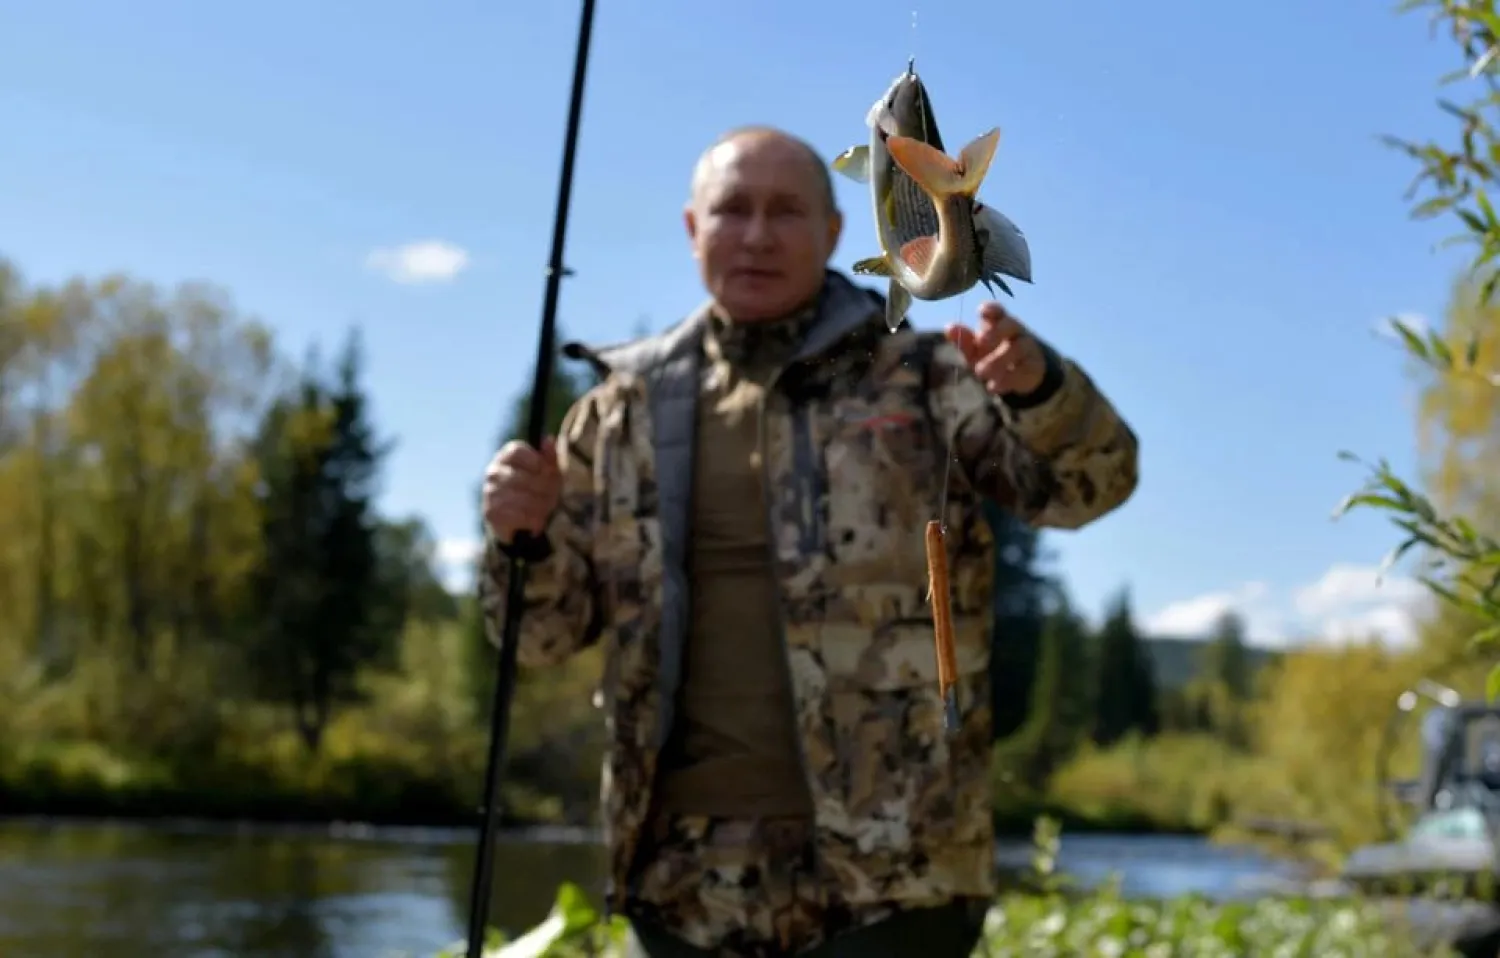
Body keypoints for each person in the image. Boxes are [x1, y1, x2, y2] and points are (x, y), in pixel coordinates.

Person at [479, 125, 1139, 958]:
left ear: (833, 233)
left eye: (786, 211)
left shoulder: (928, 377)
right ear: (693, 229)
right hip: (678, 883)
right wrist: (518, 539)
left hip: (898, 878)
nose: (757, 235)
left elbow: (1095, 484)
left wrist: (1042, 390)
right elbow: (536, 638)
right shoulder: (616, 414)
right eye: (733, 211)